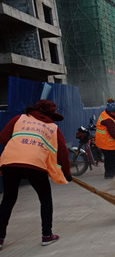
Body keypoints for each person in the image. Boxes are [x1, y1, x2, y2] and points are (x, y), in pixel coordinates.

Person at [0, 100, 72, 249]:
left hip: (10, 162)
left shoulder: (19, 119)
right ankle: (47, 235)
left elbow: (3, 137)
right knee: (45, 198)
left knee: (8, 198)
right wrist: (67, 173)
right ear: (51, 114)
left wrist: (19, 148)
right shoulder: (52, 128)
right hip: (35, 164)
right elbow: (63, 152)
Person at [95, 98, 115, 179]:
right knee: (110, 158)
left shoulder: (105, 114)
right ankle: (110, 174)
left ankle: (112, 172)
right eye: (114, 112)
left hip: (104, 141)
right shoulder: (108, 120)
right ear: (111, 112)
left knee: (110, 158)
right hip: (106, 142)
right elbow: (113, 133)